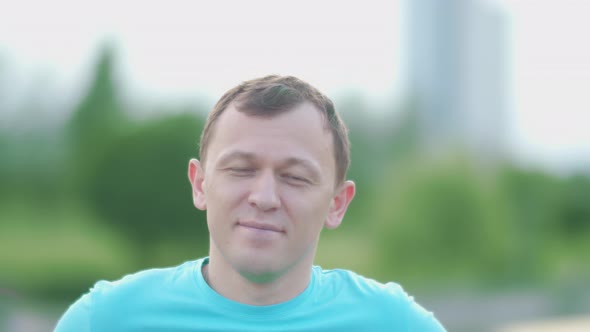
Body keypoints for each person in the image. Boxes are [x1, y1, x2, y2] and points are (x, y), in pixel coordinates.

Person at [54, 75, 446, 331]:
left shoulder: (392, 323)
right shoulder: (106, 320)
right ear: (200, 184)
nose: (264, 197)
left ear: (337, 204)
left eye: (294, 177)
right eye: (241, 169)